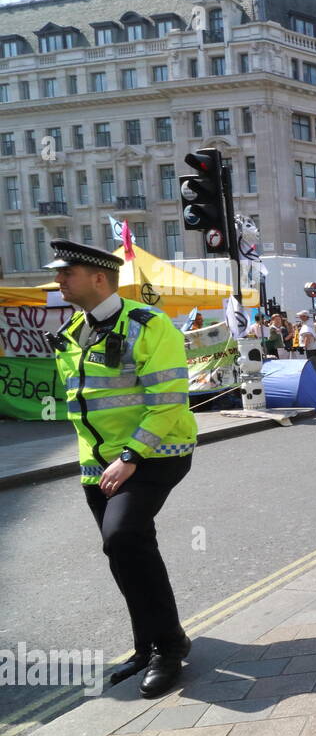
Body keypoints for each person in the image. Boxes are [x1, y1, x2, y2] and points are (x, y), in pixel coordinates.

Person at [44, 241, 198, 698]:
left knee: (124, 535)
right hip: (98, 464)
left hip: (156, 453)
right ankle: (148, 643)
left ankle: (169, 649)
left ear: (98, 277)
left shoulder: (149, 326)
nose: (58, 280)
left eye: (66, 272)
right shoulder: (73, 331)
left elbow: (168, 401)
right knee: (122, 551)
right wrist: (100, 460)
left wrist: (130, 457)